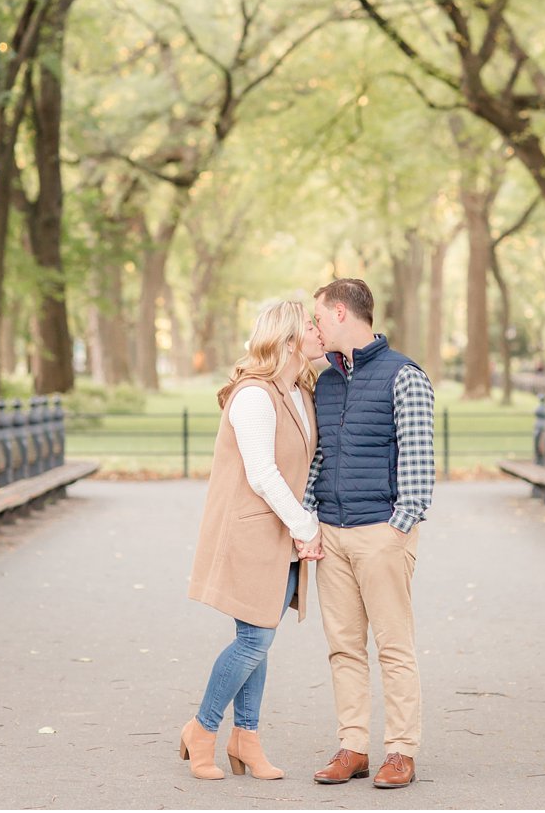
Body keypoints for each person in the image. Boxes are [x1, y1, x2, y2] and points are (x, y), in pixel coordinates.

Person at [181, 300, 326, 782]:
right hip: (252, 532)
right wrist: (305, 527)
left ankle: (246, 739)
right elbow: (262, 473)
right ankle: (201, 730)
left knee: (258, 638)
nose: (318, 331)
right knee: (255, 638)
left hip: (281, 534)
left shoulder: (300, 392)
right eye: (310, 325)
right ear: (288, 339)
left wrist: (303, 525)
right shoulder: (254, 397)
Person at [304, 277, 434, 790]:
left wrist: (396, 531)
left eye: (317, 316)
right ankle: (353, 746)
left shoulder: (404, 375)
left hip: (381, 531)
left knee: (394, 646)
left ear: (340, 313)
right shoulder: (328, 380)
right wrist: (311, 517)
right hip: (330, 534)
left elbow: (420, 466)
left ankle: (401, 751)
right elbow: (319, 458)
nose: (314, 326)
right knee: (343, 648)